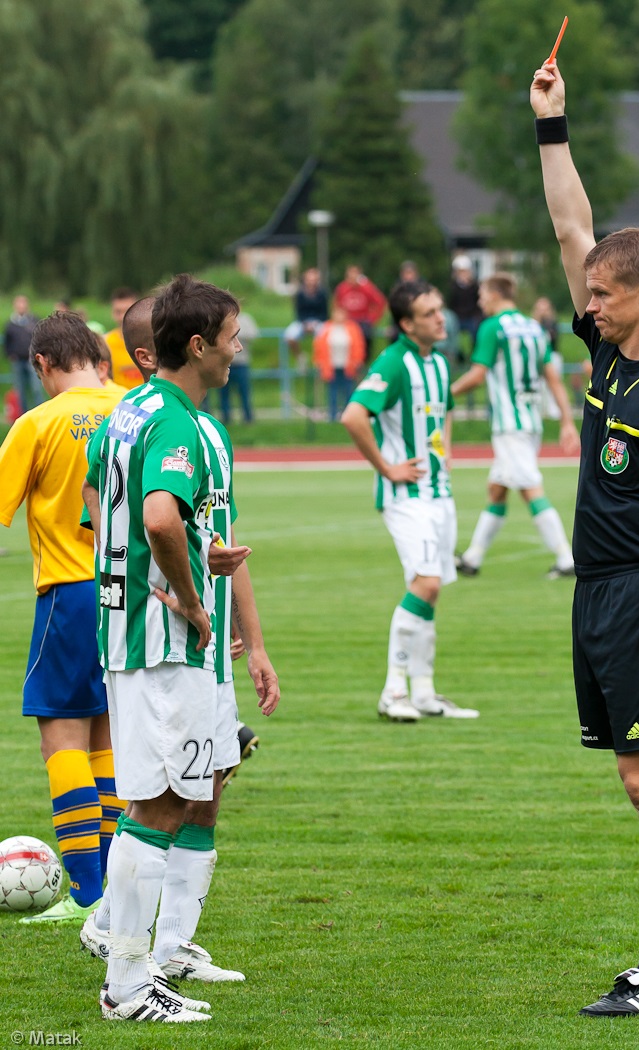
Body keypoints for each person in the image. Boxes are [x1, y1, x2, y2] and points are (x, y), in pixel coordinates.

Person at [532, 58, 639, 1017]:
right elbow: (570, 225)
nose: (586, 304)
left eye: (601, 294)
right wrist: (551, 126)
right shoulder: (607, 353)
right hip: (599, 589)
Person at [84, 275, 279, 1022]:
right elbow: (161, 517)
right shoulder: (175, 423)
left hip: (131, 635)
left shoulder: (127, 412)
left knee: (176, 796)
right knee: (163, 804)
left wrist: (182, 557)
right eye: (232, 338)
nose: (239, 350)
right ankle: (128, 985)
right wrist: (191, 598)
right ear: (197, 346)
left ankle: (149, 963)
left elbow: (102, 505)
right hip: (167, 643)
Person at [0, 312, 127, 924]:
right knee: (105, 735)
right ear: (98, 357)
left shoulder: (37, 422)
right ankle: (114, 890)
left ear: (42, 364)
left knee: (62, 736)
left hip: (70, 593)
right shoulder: (134, 409)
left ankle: (87, 894)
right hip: (133, 591)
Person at [341, 281, 479, 723]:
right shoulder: (394, 362)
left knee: (431, 592)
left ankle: (424, 692)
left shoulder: (437, 362)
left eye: (440, 309)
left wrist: (446, 450)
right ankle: (393, 690)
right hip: (407, 495)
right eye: (429, 313)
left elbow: (445, 411)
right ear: (406, 324)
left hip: (439, 493)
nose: (441, 318)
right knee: (426, 584)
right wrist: (387, 467)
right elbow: (353, 415)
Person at [451, 273, 579, 578]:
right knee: (497, 490)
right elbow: (553, 379)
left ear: (496, 294)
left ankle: (566, 558)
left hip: (510, 425)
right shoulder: (534, 327)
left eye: (483, 294)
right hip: (530, 422)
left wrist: (445, 392)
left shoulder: (492, 326)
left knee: (530, 489)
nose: (480, 300)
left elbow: (477, 375)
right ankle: (473, 558)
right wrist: (566, 420)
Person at [312, 305, 365, 421]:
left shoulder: (352, 328)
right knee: (332, 391)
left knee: (348, 390)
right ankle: (332, 415)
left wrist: (358, 360)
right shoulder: (325, 328)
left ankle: (349, 415)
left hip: (348, 365)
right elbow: (319, 346)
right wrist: (318, 361)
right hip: (331, 365)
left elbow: (358, 345)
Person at [333, 264, 387, 361]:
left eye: (355, 274)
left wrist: (373, 319)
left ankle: (363, 361)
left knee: (365, 335)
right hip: (347, 321)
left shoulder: (367, 288)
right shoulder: (342, 288)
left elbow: (380, 302)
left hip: (362, 320)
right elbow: (337, 306)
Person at [283, 267, 329, 368]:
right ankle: (300, 358)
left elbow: (325, 313)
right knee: (289, 336)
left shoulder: (322, 294)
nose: (311, 282)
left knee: (324, 337)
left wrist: (315, 323)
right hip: (303, 322)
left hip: (318, 321)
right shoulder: (300, 294)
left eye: (314, 280)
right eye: (309, 280)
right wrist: (305, 324)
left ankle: (319, 361)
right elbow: (298, 312)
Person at [4, 294, 41, 413]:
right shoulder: (10, 324)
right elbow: (7, 342)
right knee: (20, 390)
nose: (21, 306)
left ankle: (40, 413)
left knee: (36, 388)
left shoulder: (34, 320)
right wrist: (10, 354)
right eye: (19, 303)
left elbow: (40, 338)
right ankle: (23, 415)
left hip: (32, 360)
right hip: (17, 360)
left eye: (23, 303)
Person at [220, 310, 257, 424]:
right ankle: (226, 418)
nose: (238, 346)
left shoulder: (245, 319)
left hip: (241, 363)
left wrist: (231, 334)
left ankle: (248, 418)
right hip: (224, 363)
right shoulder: (221, 318)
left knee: (244, 392)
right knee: (224, 393)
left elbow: (253, 334)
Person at [104, 287, 141, 390]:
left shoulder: (151, 341)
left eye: (127, 311)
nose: (122, 317)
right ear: (112, 313)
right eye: (118, 312)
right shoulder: (106, 343)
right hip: (118, 399)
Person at [447, 256, 482, 354]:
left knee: (476, 330)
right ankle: (456, 354)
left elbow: (478, 303)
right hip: (457, 317)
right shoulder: (452, 287)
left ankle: (475, 352)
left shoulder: (475, 287)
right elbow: (451, 303)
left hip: (471, 316)